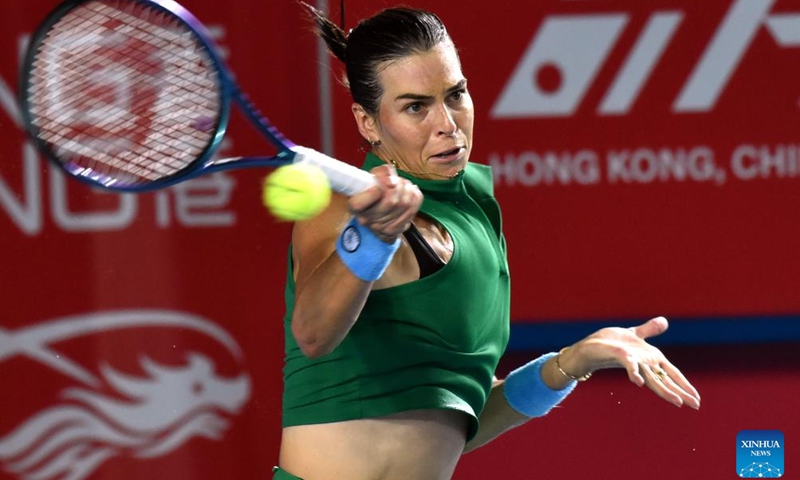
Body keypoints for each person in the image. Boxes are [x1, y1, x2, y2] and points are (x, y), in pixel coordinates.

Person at [275, 4, 701, 480]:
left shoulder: (475, 216)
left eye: (455, 95)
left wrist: (570, 363)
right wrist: (372, 237)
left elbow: (457, 424)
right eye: (416, 107)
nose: (447, 123)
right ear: (368, 122)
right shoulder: (344, 206)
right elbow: (312, 333)